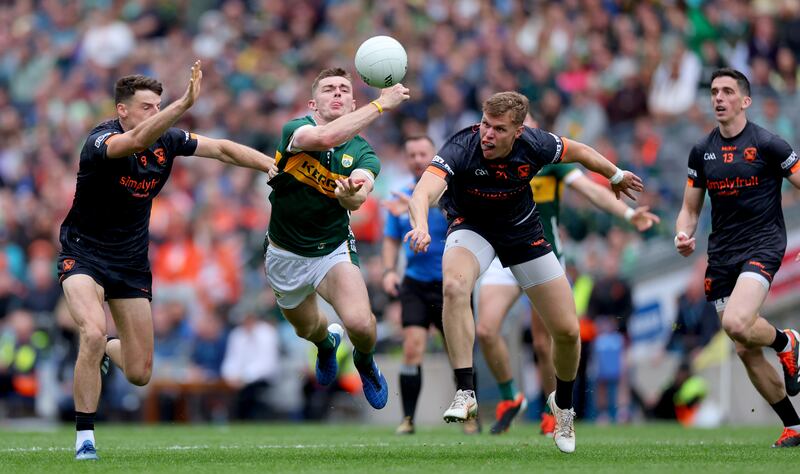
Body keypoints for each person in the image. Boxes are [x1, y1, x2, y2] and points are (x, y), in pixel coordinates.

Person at [58, 61, 276, 460]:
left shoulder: (169, 141)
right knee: (89, 332)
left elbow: (222, 149)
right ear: (122, 110)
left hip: (129, 264)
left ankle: (107, 349)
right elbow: (136, 142)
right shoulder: (100, 140)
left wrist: (270, 164)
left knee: (140, 373)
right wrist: (184, 103)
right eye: (147, 107)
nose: (154, 113)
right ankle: (85, 438)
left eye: (158, 106)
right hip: (83, 254)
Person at [405, 91, 643, 453]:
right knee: (454, 288)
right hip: (472, 228)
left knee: (566, 332)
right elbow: (422, 192)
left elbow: (579, 151)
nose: (487, 134)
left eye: (498, 129)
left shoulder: (536, 144)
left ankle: (563, 407)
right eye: (485, 124)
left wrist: (614, 173)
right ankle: (466, 391)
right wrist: (421, 225)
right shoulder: (461, 146)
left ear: (518, 131)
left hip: (522, 232)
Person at [475, 115, 658, 434]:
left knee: (545, 345)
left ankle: (553, 412)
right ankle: (510, 397)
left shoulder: (548, 159)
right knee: (487, 330)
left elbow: (591, 190)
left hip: (541, 256)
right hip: (501, 254)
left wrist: (629, 215)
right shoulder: (489, 157)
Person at [264, 67, 409, 411]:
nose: (338, 93)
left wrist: (349, 195)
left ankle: (365, 361)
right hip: (285, 252)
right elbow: (323, 139)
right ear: (314, 102)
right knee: (308, 329)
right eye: (329, 89)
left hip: (332, 248)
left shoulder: (363, 153)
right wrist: (380, 105)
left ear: (352, 102)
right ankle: (327, 344)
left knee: (360, 323)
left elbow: (359, 196)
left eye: (344, 89)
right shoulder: (295, 129)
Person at [675, 67, 800, 448]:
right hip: (722, 254)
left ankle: (786, 342)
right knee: (743, 347)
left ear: (745, 101)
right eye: (714, 91)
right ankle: (794, 426)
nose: (718, 98)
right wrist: (684, 232)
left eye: (727, 91)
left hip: (762, 245)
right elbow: (690, 209)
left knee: (738, 320)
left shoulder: (769, 144)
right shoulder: (702, 150)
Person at [382, 135, 478, 435]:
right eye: (411, 154)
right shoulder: (400, 196)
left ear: (433, 155)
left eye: (423, 153)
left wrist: (425, 205)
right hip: (415, 283)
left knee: (458, 351)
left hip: (452, 284)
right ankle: (408, 419)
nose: (417, 159)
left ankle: (469, 416)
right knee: (412, 349)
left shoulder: (452, 189)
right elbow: (391, 238)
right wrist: (388, 270)